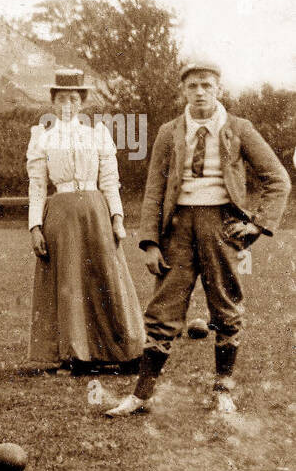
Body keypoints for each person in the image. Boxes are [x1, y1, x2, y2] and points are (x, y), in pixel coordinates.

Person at [106, 59, 290, 416]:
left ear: (219, 89)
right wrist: (150, 241)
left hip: (221, 225)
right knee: (163, 310)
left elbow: (278, 178)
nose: (201, 92)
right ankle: (141, 394)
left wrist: (256, 224)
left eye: (207, 85)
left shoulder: (239, 128)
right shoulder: (169, 132)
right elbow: (154, 191)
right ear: (183, 91)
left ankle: (223, 389)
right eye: (193, 86)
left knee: (225, 306)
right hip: (177, 228)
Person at [25, 69, 144, 373]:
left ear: (82, 102)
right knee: (69, 283)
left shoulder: (98, 133)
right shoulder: (42, 137)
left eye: (74, 98)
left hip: (95, 211)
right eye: (62, 98)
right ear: (54, 101)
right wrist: (35, 226)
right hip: (61, 214)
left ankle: (121, 351)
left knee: (107, 278)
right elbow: (37, 186)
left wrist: (117, 218)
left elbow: (110, 179)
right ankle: (74, 354)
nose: (68, 104)